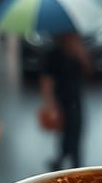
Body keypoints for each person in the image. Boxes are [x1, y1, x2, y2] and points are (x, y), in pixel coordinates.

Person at [39, 32, 91, 171]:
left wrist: (81, 54)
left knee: (77, 132)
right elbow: (47, 81)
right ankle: (73, 165)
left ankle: (67, 162)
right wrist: (50, 104)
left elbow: (89, 70)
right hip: (61, 102)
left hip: (76, 100)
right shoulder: (53, 55)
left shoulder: (77, 52)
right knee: (65, 135)